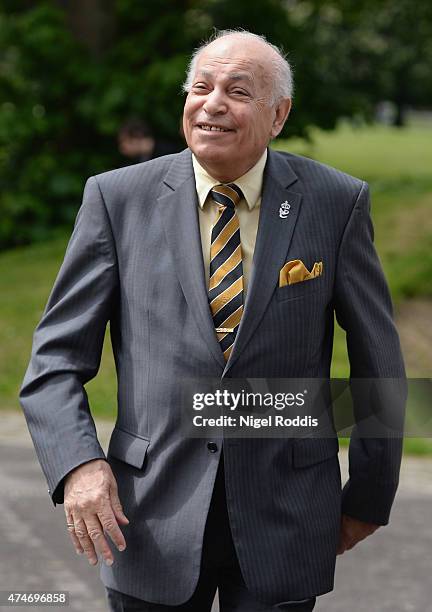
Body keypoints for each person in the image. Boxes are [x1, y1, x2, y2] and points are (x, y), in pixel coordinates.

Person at [20, 30, 406, 611]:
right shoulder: (116, 198)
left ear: (279, 115)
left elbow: (380, 363)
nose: (213, 103)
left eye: (238, 91)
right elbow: (53, 362)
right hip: (147, 514)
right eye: (201, 87)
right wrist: (78, 466)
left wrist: (368, 497)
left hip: (288, 516)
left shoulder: (335, 202)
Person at [117, 117, 181, 164]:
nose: (122, 148)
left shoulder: (169, 153)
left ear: (137, 136)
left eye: (125, 141)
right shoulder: (138, 159)